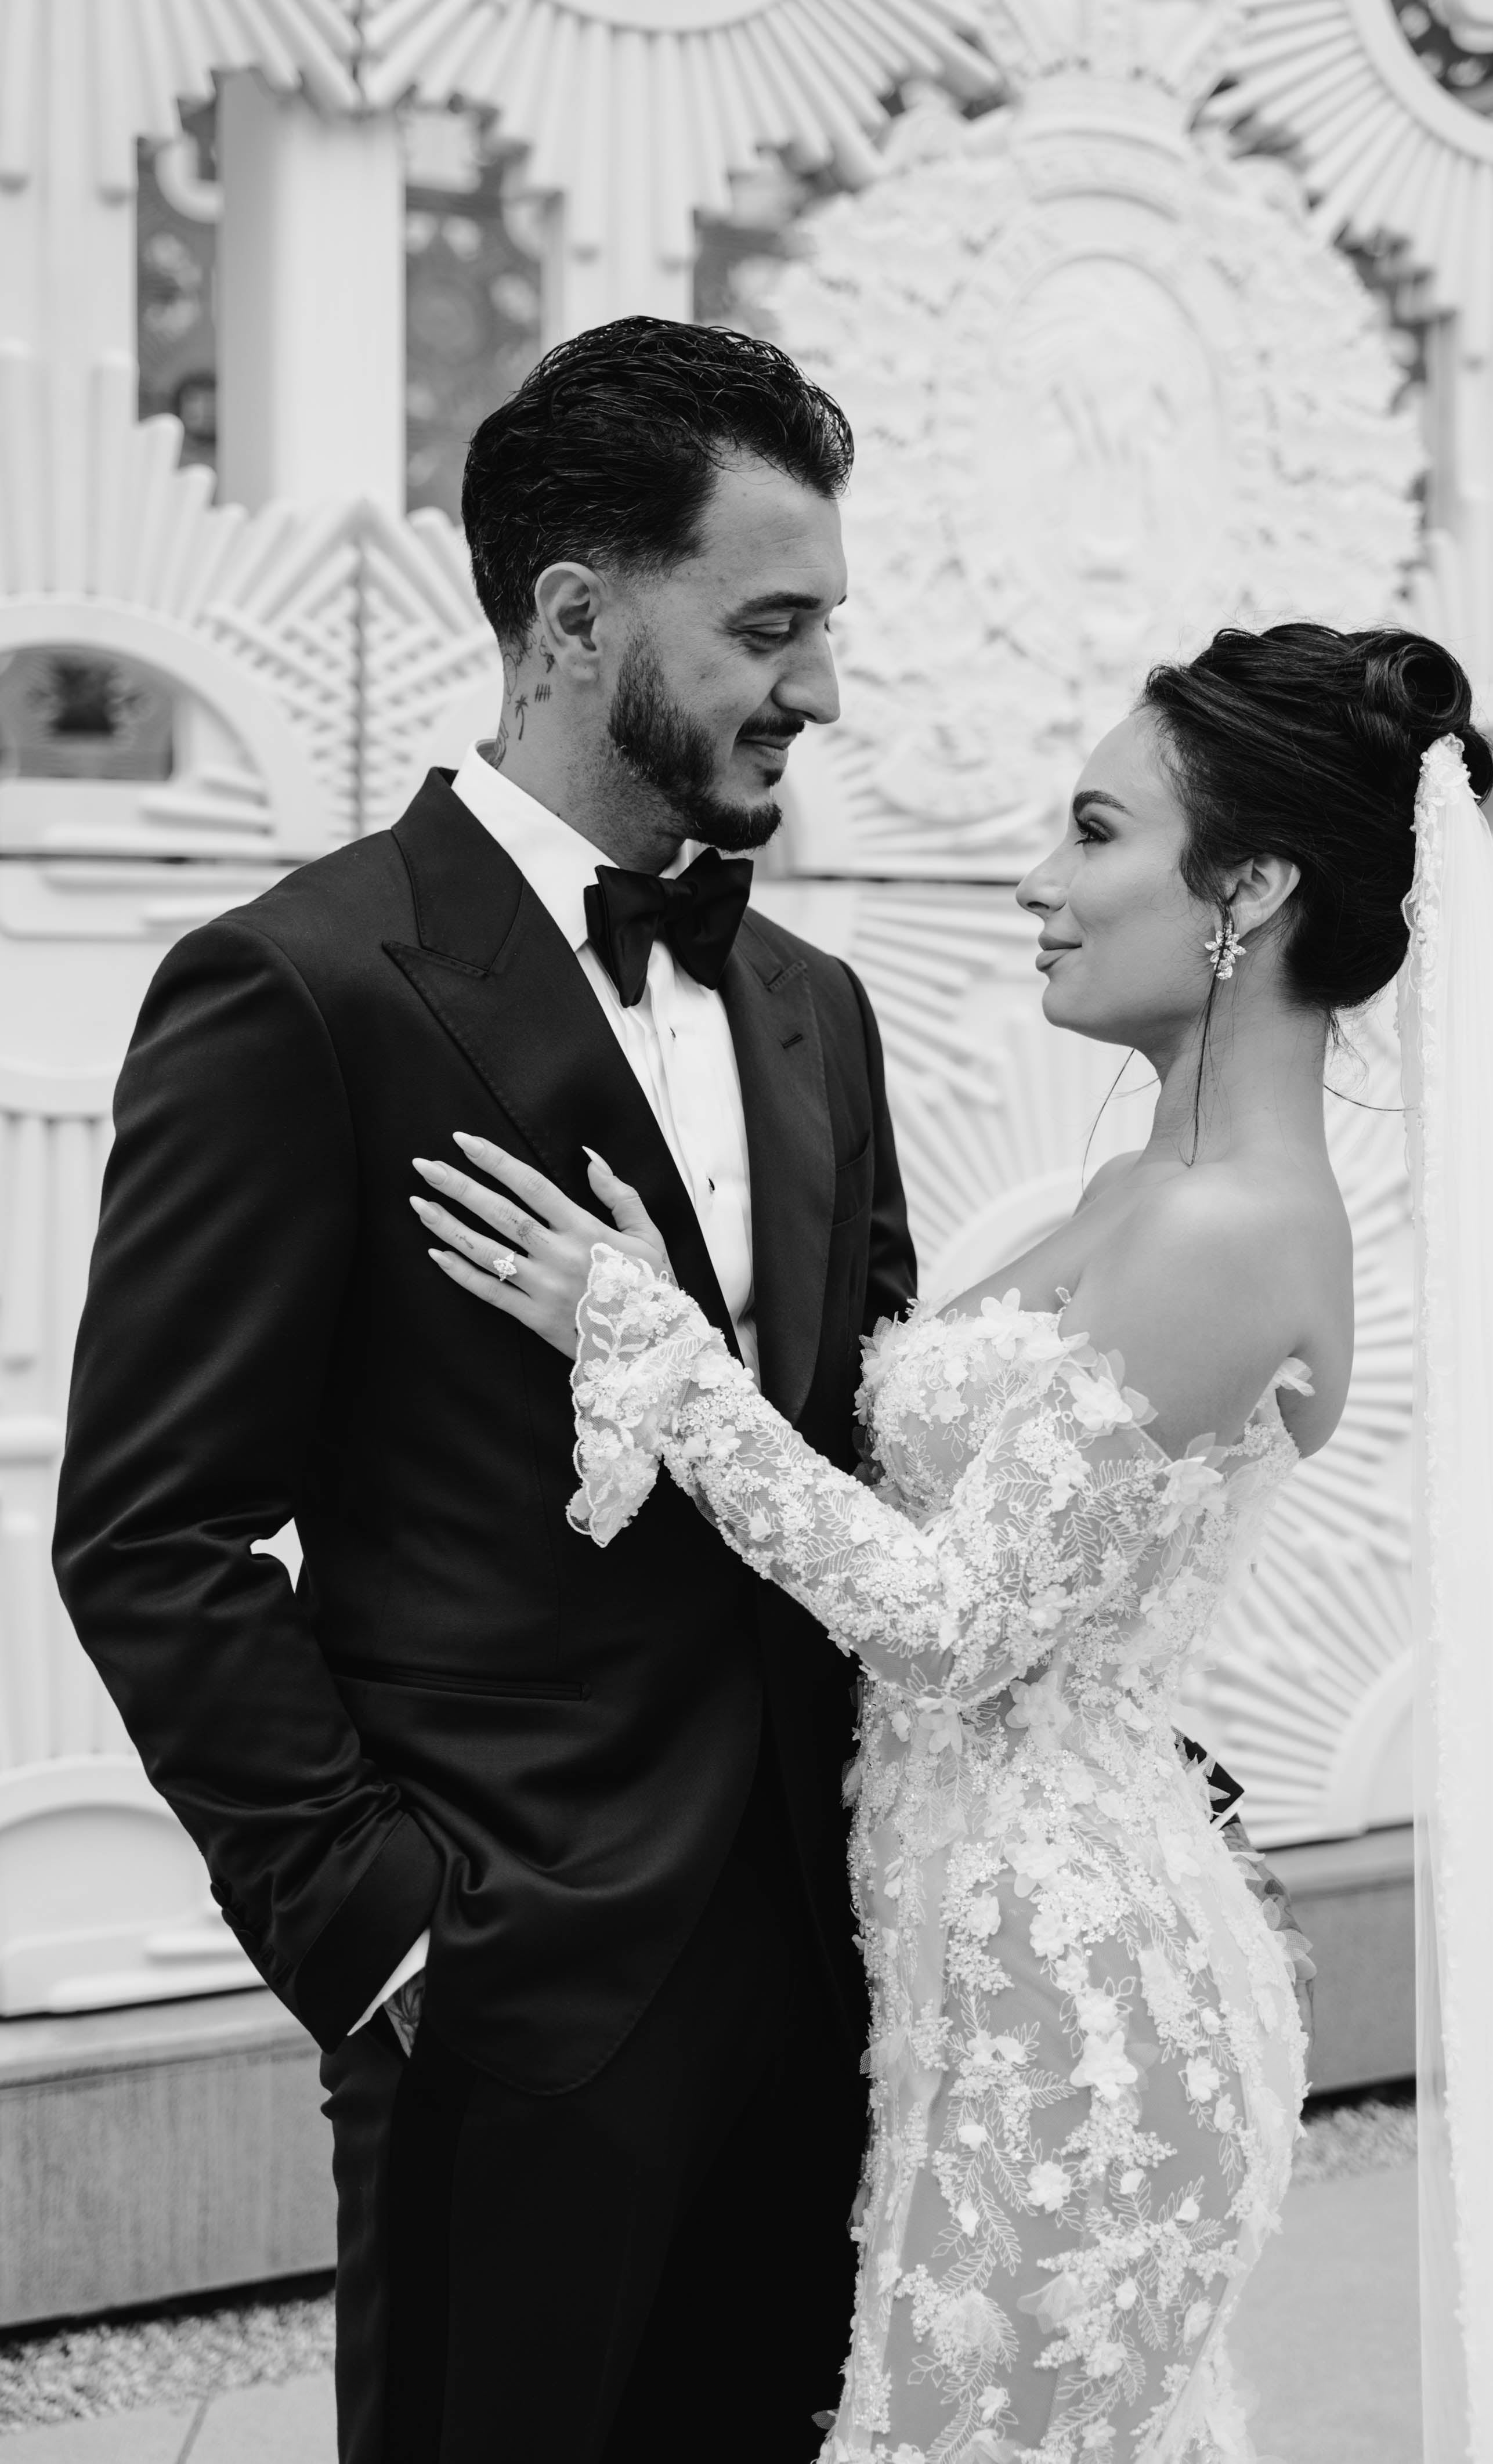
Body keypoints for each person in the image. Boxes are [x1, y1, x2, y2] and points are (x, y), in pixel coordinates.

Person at [411, 622, 1481, 2462]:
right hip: (956, 1958)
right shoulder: (1125, 1191)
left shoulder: (1227, 1235)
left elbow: (952, 1625)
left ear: (1254, 885)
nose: (1032, 882)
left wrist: (661, 1359)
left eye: (1089, 834)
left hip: (1070, 2004)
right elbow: (916, 1503)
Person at [52, 317, 917, 2463]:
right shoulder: (303, 986)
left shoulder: (815, 1008)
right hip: (509, 1994)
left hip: (823, 1984)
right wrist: (384, 1935)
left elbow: (852, 1455)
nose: (816, 689)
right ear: (569, 616)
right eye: (771, 626)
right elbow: (153, 1532)